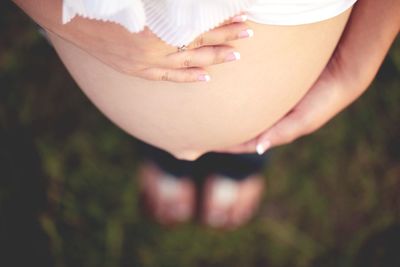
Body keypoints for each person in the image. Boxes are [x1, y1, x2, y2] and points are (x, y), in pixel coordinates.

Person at [12, 0, 400, 228]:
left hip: (269, 98)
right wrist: (83, 28)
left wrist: (355, 66)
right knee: (160, 98)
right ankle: (166, 155)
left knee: (257, 131)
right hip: (116, 67)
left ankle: (242, 160)